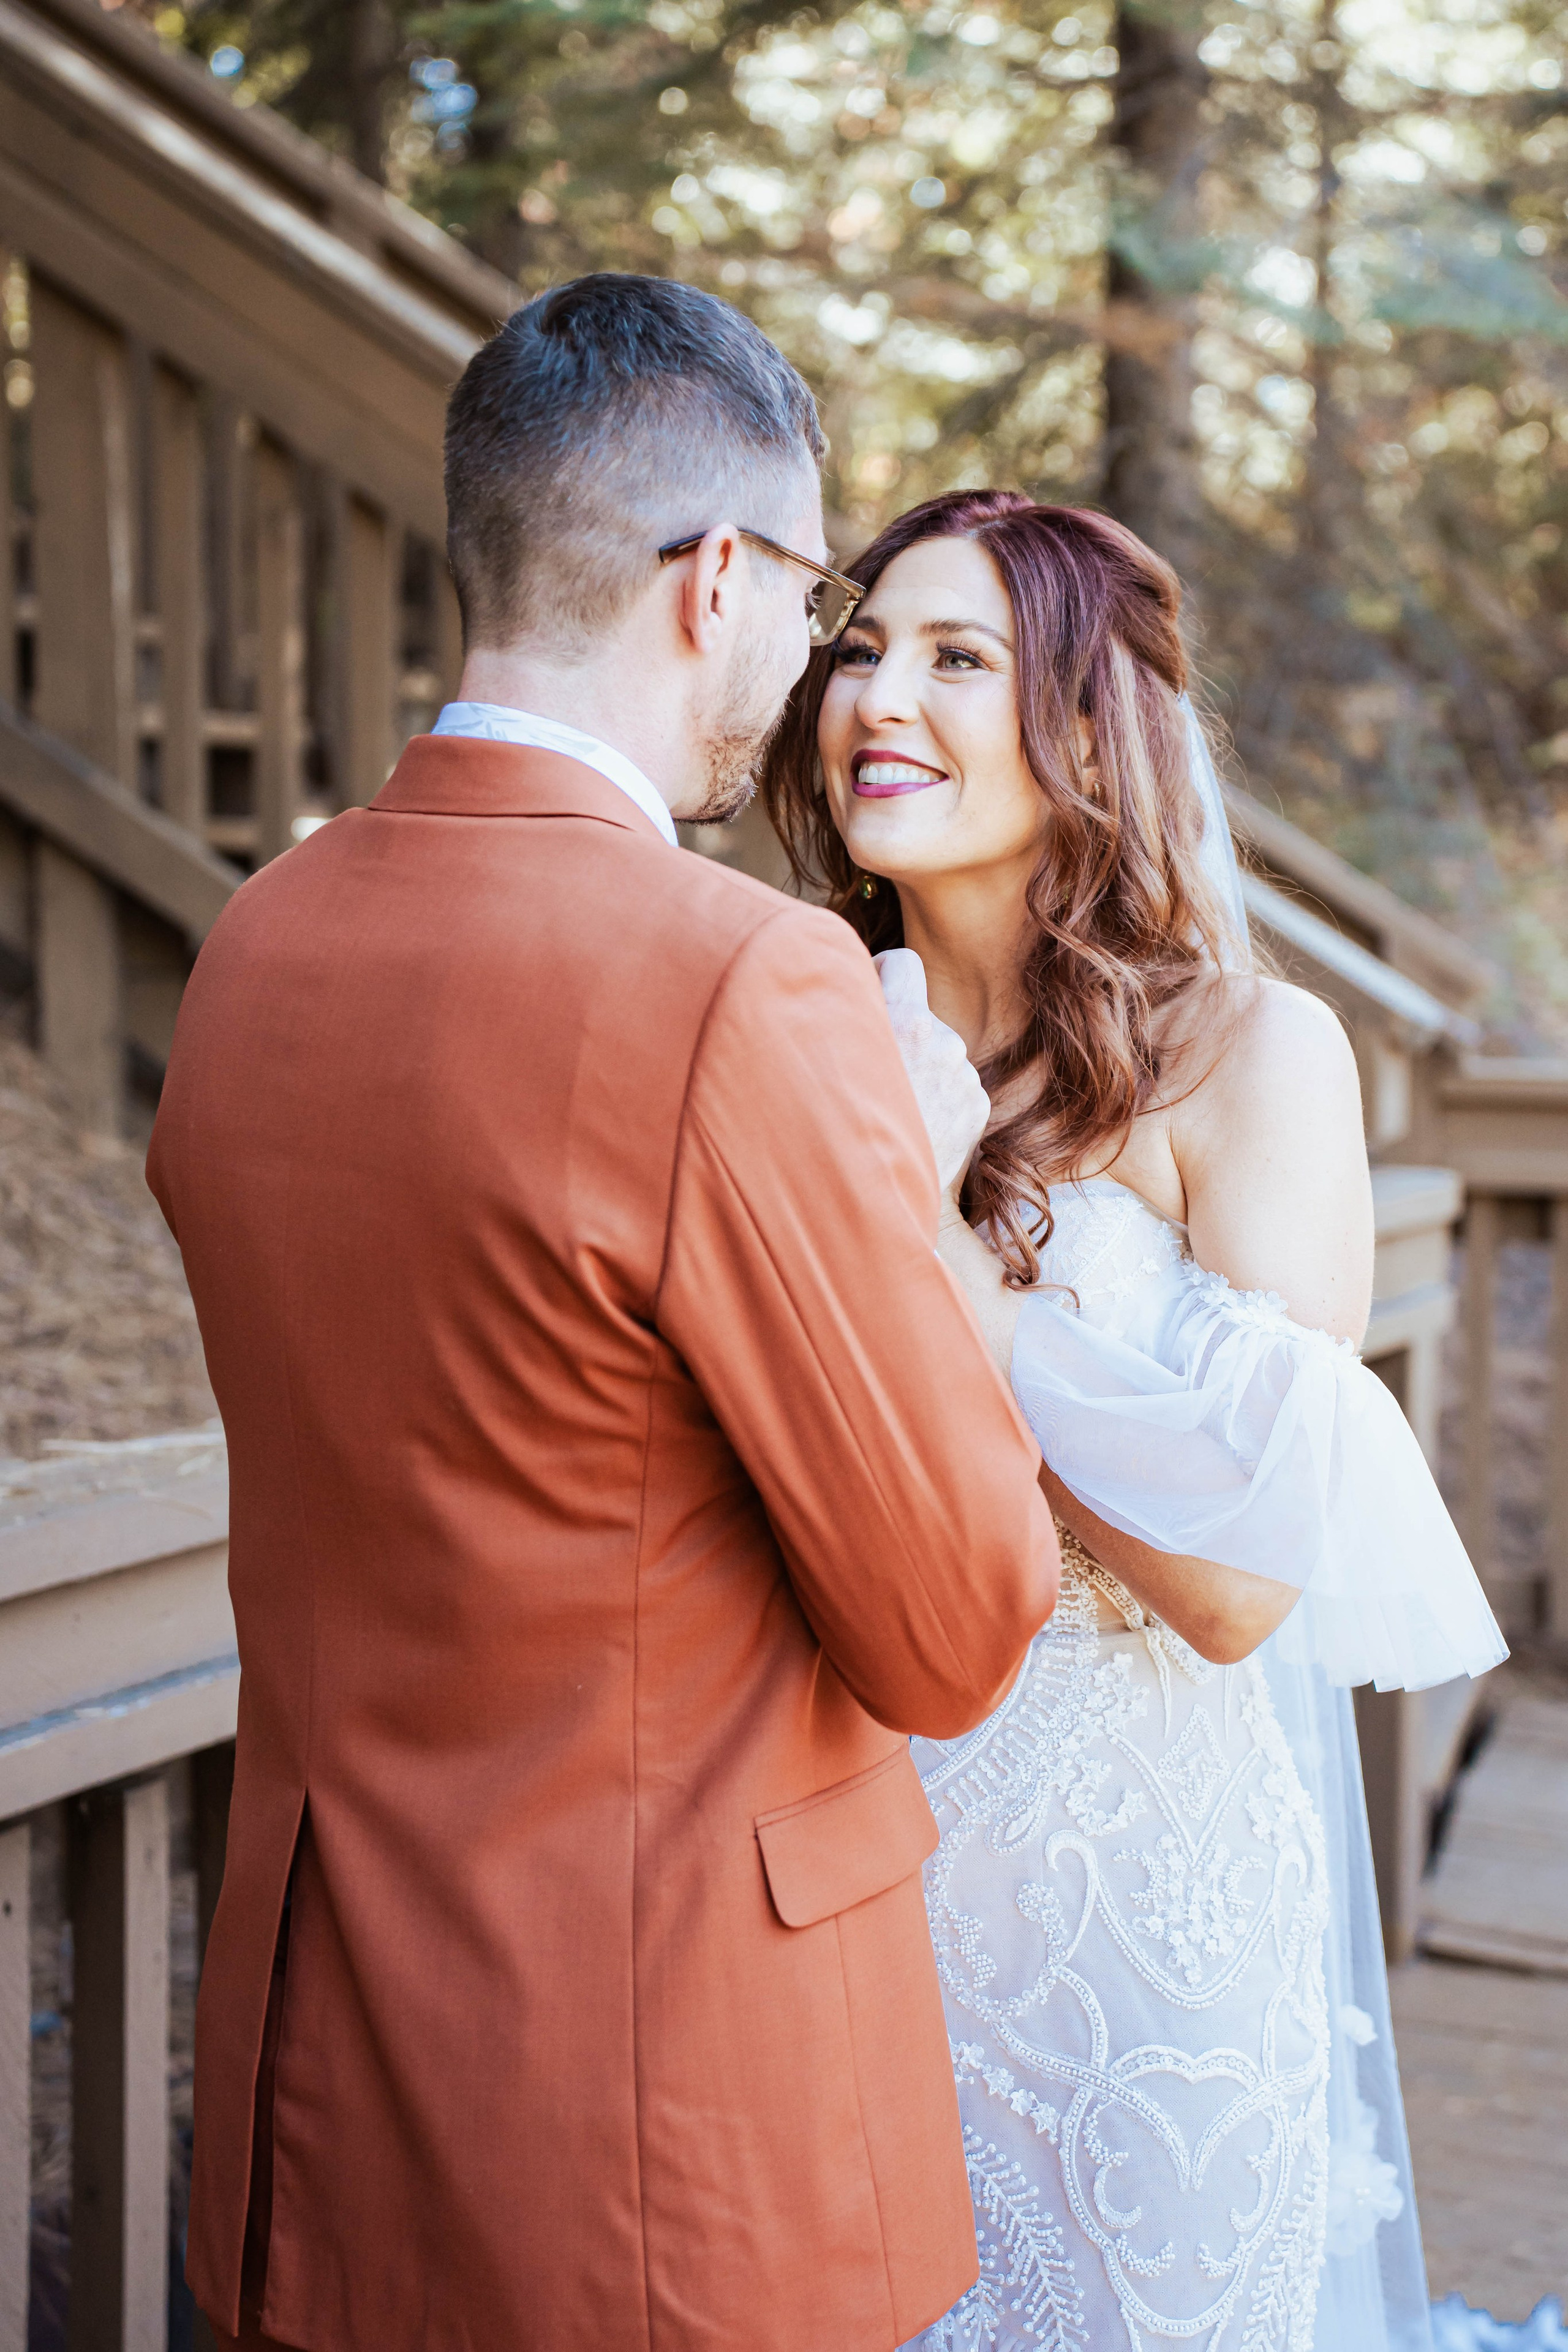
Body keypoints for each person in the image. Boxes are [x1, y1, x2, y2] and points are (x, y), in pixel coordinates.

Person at [148, 286, 1060, 2352]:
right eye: (816, 595)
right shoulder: (740, 980)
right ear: (716, 579)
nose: (812, 656)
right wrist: (912, 1203)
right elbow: (953, 1621)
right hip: (669, 2149)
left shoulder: (255, 949)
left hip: (320, 2118)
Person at [764, 488, 1506, 2352]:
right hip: (838, 1870)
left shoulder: (1251, 1059)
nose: (877, 698)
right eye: (859, 648)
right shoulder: (787, 1034)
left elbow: (1243, 1590)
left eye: (955, 658)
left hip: (1139, 1922)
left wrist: (942, 1233)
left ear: (1088, 729)